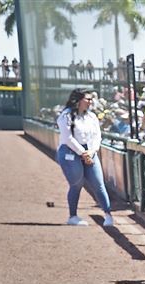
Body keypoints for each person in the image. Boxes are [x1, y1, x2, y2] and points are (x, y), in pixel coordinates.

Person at [55, 88, 113, 227]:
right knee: (76, 183)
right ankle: (73, 216)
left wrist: (91, 152)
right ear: (78, 100)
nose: (90, 102)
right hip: (70, 151)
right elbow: (68, 138)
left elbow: (97, 136)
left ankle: (108, 215)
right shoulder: (66, 116)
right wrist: (83, 153)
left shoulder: (92, 117)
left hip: (89, 152)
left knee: (98, 184)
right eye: (87, 99)